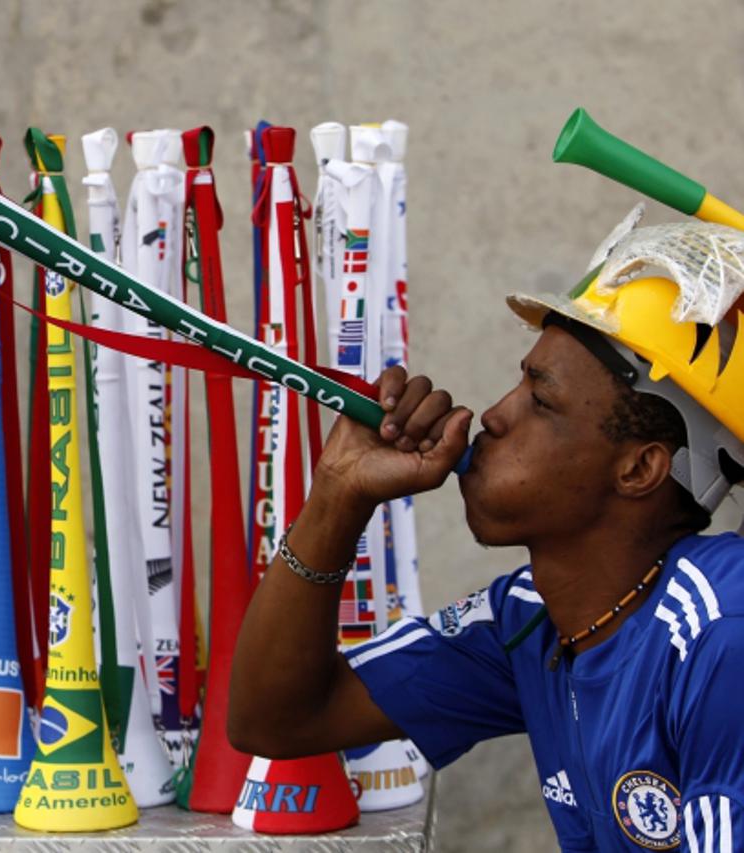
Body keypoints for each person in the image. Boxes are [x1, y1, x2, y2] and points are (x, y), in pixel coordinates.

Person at [229, 214, 744, 852]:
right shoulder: (533, 618)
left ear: (638, 468)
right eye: (519, 382)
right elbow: (274, 720)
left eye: (541, 401)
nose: (493, 416)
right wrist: (339, 492)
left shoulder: (722, 638)